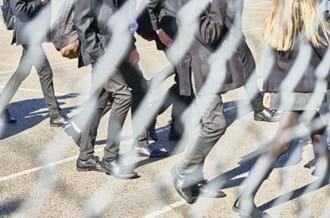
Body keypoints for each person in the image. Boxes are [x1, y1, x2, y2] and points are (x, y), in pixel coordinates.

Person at [233, 0, 330, 217]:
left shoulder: (279, 20)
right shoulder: (313, 24)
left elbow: (270, 61)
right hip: (305, 90)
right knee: (283, 143)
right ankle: (245, 198)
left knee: (318, 132)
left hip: (290, 88)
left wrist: (268, 89)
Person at [170, 0, 256, 203]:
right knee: (215, 124)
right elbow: (208, 34)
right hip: (197, 70)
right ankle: (183, 171)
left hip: (210, 68)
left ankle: (194, 177)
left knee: (204, 125)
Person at [73, 0, 153, 179]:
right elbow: (82, 23)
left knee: (137, 87)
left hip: (119, 48)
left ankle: (85, 156)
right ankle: (110, 158)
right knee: (123, 95)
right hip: (102, 53)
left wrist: (131, 45)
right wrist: (101, 58)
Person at [0, 0, 67, 127]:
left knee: (22, 73)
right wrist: (40, 2)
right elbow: (19, 10)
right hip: (28, 34)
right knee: (45, 72)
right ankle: (55, 115)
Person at [142, 0, 194, 142]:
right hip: (170, 36)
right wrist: (158, 31)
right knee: (185, 80)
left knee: (186, 79)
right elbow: (149, 7)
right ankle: (167, 122)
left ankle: (177, 127)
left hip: (186, 34)